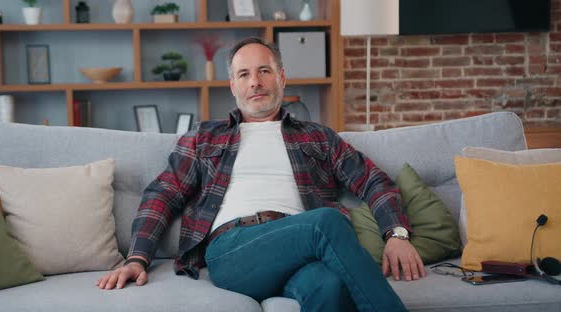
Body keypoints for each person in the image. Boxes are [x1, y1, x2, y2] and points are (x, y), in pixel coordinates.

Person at [96, 37, 425, 311]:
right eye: (244, 74)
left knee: (327, 286)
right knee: (327, 221)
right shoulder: (205, 137)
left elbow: (372, 179)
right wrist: (137, 258)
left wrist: (396, 234)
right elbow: (163, 193)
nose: (255, 82)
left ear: (281, 77)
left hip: (302, 248)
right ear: (233, 85)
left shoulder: (317, 137)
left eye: (264, 71)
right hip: (234, 249)